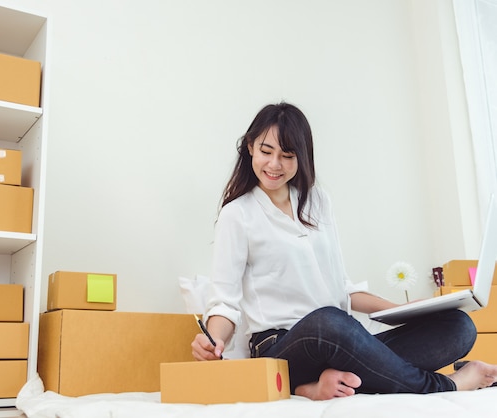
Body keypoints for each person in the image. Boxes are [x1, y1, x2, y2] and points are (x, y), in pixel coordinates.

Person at [191, 102, 497, 400]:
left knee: (458, 327)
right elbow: (225, 303)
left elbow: (342, 288)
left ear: (302, 157)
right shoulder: (238, 215)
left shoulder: (317, 202)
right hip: (280, 347)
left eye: (287, 155)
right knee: (330, 322)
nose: (274, 165)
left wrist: (406, 312)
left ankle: (316, 385)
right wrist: (215, 339)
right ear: (249, 148)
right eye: (266, 152)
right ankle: (448, 385)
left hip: (339, 339)